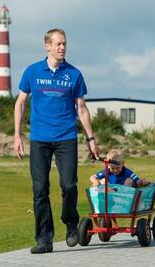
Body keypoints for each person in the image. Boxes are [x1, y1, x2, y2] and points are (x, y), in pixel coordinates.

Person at [13, 28, 99, 254]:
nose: (62, 47)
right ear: (47, 46)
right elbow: (20, 103)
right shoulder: (32, 72)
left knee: (69, 185)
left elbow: (81, 108)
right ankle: (44, 239)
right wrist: (17, 135)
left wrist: (91, 139)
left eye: (64, 44)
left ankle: (71, 222)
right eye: (58, 44)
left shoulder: (74, 74)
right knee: (40, 189)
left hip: (66, 138)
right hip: (39, 139)